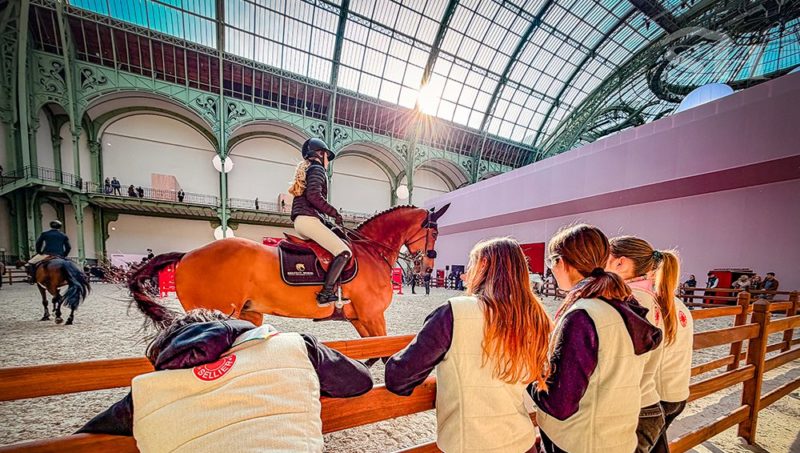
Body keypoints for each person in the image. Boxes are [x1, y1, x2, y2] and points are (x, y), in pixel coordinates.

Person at [77, 309, 373, 451]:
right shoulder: (295, 345)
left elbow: (82, 440)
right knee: (340, 252)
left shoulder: (144, 393)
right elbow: (361, 381)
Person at [385, 237, 552, 452]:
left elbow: (399, 377)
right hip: (521, 440)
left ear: (483, 265)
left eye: (471, 263)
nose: (468, 270)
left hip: (471, 443)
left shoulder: (455, 312)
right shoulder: (535, 317)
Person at [533, 224, 661, 453]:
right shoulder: (622, 305)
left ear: (562, 262)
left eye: (551, 262)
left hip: (581, 441)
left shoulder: (582, 316)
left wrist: (528, 375)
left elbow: (560, 404)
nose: (551, 269)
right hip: (617, 436)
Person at [608, 236, 691, 452]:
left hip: (652, 398)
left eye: (603, 258)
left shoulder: (631, 301)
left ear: (621, 263)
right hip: (675, 392)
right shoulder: (672, 301)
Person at [288, 138, 351, 306]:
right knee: (344, 252)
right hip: (308, 220)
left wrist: (329, 222)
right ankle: (326, 293)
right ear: (320, 154)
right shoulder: (317, 169)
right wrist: (334, 212)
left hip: (303, 220)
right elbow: (314, 196)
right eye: (327, 157)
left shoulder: (308, 169)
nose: (328, 162)